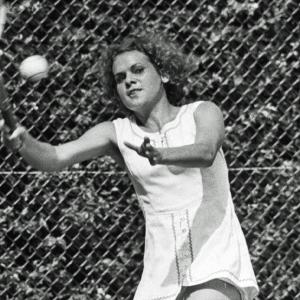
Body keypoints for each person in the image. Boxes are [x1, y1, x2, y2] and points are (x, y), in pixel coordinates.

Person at [0, 32, 259, 300]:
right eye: (120, 78)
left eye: (138, 70)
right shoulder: (116, 133)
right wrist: (23, 142)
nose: (129, 80)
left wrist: (160, 155)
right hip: (161, 272)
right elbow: (53, 157)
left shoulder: (202, 112)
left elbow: (205, 152)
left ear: (164, 74)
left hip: (216, 257)